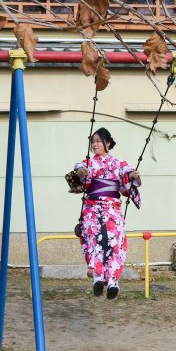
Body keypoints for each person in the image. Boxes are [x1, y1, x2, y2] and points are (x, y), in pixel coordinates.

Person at [66, 127, 141, 299]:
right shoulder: (88, 163)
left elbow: (126, 172)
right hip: (92, 209)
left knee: (116, 242)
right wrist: (81, 172)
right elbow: (79, 168)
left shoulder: (118, 163)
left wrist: (131, 175)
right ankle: (98, 278)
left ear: (108, 143)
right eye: (93, 142)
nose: (95, 145)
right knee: (95, 241)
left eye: (98, 141)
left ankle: (113, 281)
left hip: (112, 209)